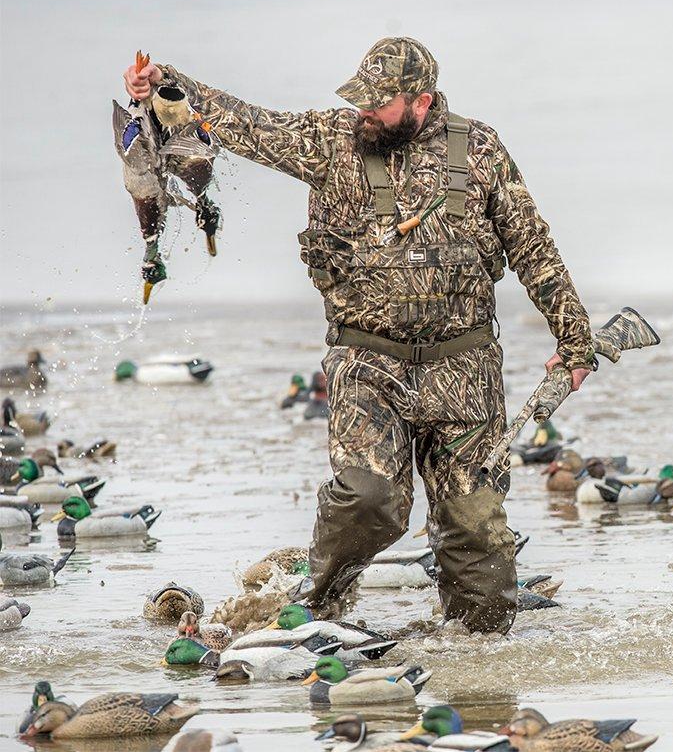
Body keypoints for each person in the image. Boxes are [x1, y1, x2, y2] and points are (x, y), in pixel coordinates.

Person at [124, 37, 595, 634]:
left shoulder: (479, 149)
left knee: (476, 540)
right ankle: (311, 613)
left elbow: (534, 249)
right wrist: (167, 85)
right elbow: (248, 124)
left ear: (422, 101)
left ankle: (474, 681)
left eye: (381, 104)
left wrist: (575, 340)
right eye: (361, 100)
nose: (366, 113)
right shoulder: (332, 142)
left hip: (467, 369)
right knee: (368, 501)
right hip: (367, 363)